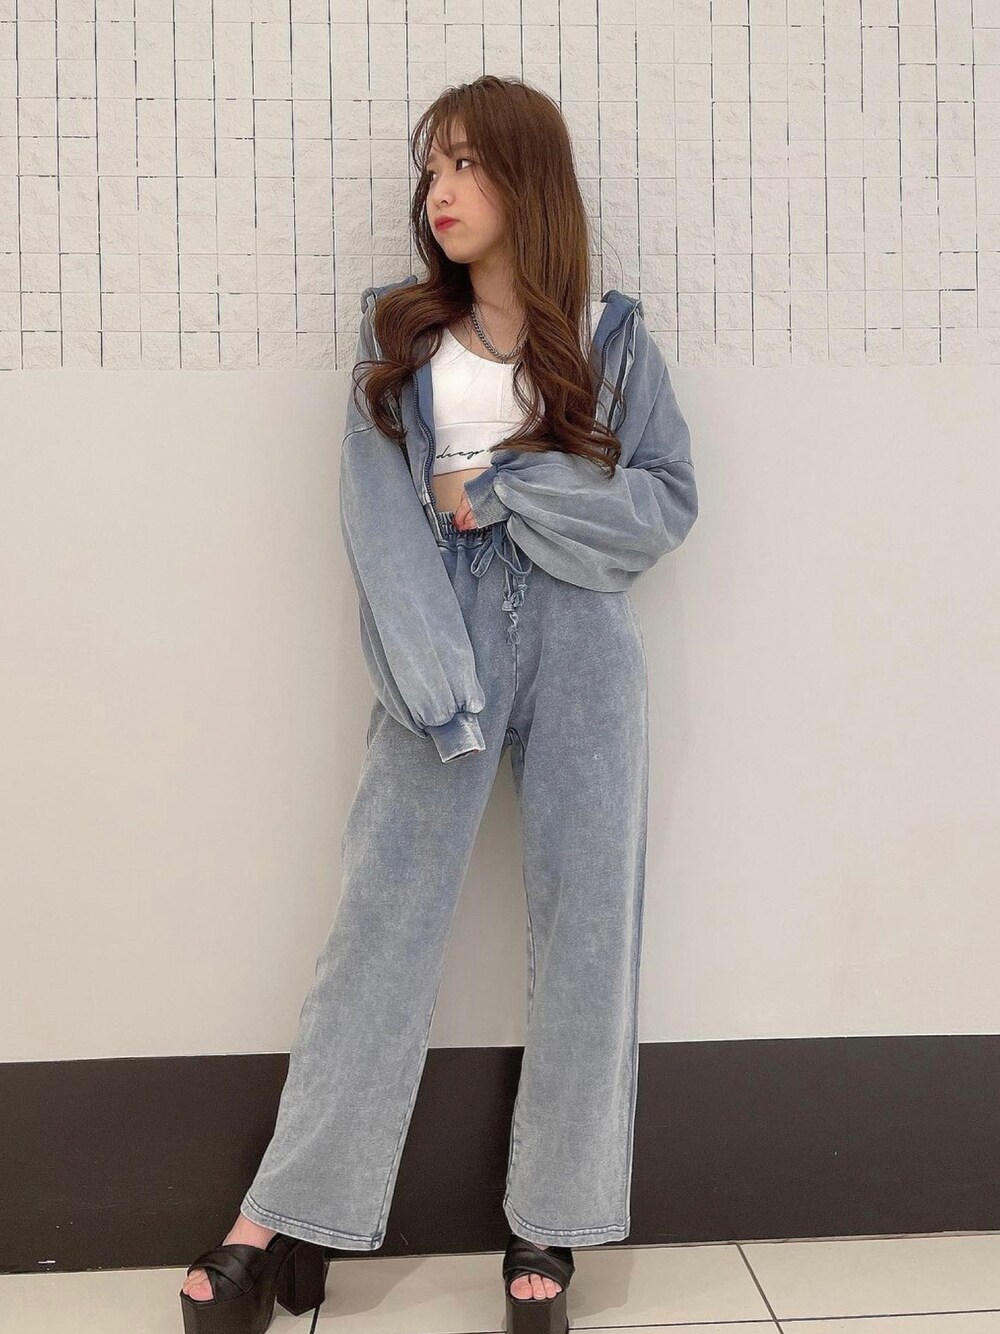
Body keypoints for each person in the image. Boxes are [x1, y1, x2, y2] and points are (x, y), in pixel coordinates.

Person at [179, 73, 698, 1334]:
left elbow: (664, 503)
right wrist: (437, 681)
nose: (440, 192)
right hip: (442, 631)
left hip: (583, 639)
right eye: (432, 169)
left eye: (466, 164)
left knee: (588, 932)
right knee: (382, 925)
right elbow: (379, 523)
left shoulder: (612, 339)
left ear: (528, 180)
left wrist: (509, 483)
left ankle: (551, 1218)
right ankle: (282, 1216)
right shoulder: (402, 336)